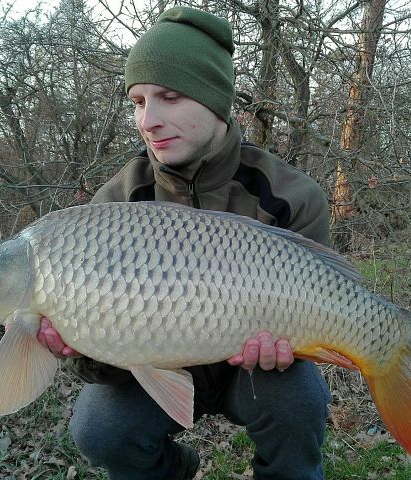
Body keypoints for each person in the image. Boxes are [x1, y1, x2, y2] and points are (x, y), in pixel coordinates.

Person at [37, 7, 332, 480]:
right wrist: (82, 345)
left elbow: (314, 317)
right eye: (137, 101)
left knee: (298, 397)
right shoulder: (116, 204)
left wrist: (289, 350)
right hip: (153, 366)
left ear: (217, 102)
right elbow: (105, 367)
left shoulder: (290, 196)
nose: (148, 120)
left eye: (169, 97)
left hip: (252, 372)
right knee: (99, 427)